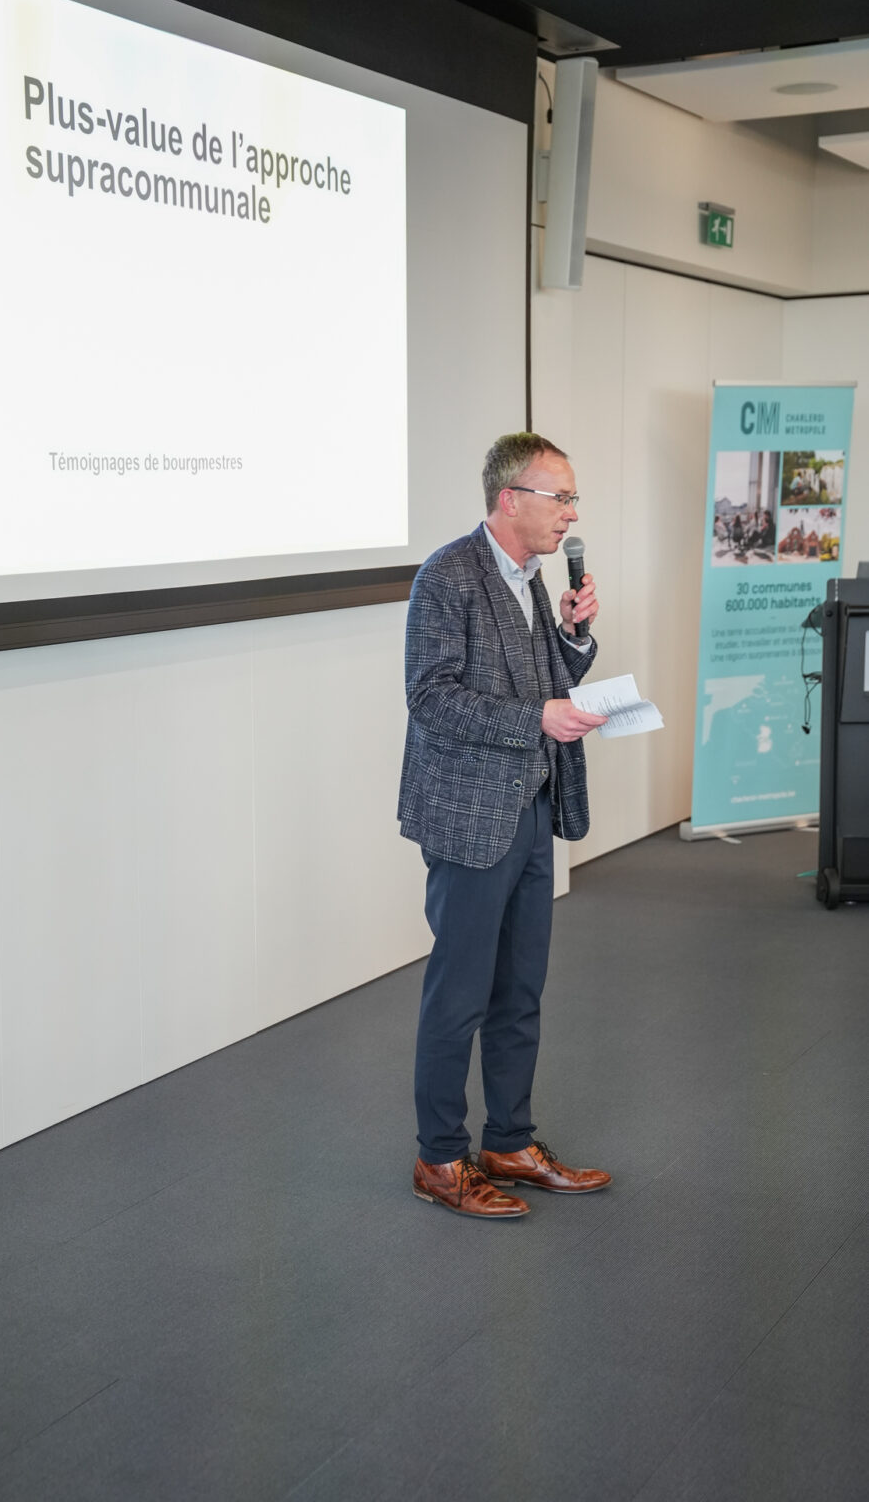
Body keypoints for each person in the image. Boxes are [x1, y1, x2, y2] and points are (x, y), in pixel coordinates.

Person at [398, 432, 612, 1218]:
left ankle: (509, 1142)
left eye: (573, 500)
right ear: (509, 498)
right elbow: (431, 696)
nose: (572, 514)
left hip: (531, 807)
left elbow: (542, 685)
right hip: (469, 816)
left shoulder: (531, 577)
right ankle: (439, 1158)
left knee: (520, 990)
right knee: (459, 996)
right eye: (562, 498)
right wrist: (538, 719)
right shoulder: (446, 575)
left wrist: (573, 637)